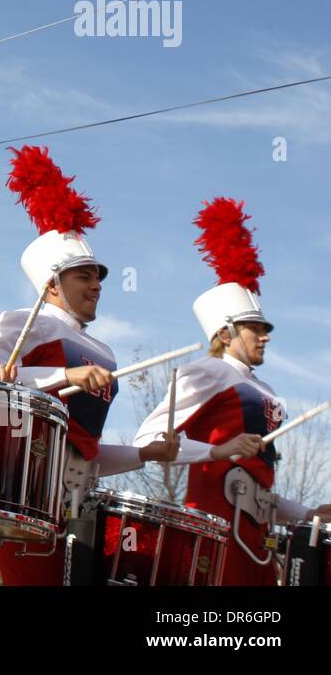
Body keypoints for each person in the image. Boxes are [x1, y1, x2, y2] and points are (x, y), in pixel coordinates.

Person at [0, 146, 178, 585]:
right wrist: (64, 376)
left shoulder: (105, 351)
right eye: (83, 276)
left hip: (79, 505)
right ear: (51, 285)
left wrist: (144, 454)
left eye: (98, 277)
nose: (96, 286)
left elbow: (84, 452)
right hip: (23, 493)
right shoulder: (20, 321)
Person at [134, 198, 331, 585]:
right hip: (214, 531)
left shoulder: (267, 390)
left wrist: (308, 514)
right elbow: (150, 438)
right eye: (254, 328)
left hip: (256, 540)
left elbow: (260, 488)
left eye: (265, 328)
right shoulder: (207, 371)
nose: (265, 336)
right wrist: (216, 451)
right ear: (225, 334)